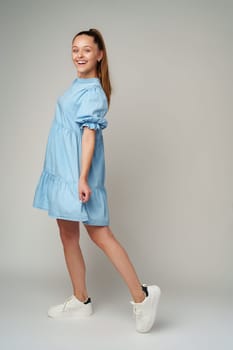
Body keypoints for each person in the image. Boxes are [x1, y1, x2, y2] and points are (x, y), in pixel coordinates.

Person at [32, 28, 161, 333]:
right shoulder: (78, 85)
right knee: (67, 234)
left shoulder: (92, 92)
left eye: (86, 50)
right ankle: (80, 299)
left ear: (99, 54)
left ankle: (141, 297)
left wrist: (82, 178)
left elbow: (89, 137)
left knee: (100, 235)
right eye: (75, 49)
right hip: (62, 172)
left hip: (76, 175)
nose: (79, 55)